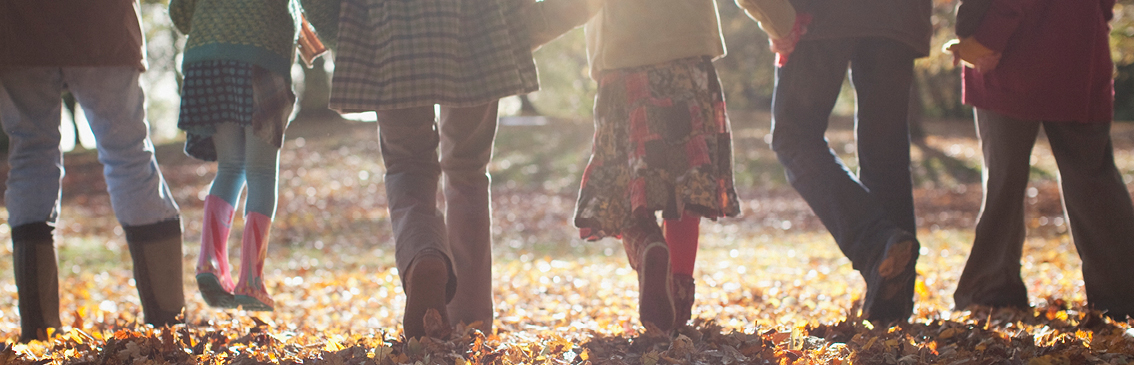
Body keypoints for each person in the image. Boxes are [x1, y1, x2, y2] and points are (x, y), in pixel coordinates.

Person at [0, 0, 186, 341]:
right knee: (128, 153)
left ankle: (39, 331)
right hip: (98, 17)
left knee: (31, 155)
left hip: (11, 19)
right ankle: (168, 323)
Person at [527, 0, 742, 332]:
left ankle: (646, 246)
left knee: (622, 180)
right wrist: (783, 25)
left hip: (623, 60)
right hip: (690, 57)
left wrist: (518, 34)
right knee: (687, 183)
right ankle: (678, 303)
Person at [329, 0, 539, 339]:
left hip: (391, 27)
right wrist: (517, 25)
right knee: (468, 170)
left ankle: (423, 255)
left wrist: (344, 31)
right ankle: (471, 318)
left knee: (406, 165)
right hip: (481, 27)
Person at [945, 0, 1134, 319]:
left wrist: (985, 41)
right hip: (1079, 44)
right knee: (1093, 177)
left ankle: (992, 290)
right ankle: (1127, 295)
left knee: (1004, 178)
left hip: (1010, 53)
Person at [763, 0, 931, 324]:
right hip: (900, 16)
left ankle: (876, 242)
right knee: (885, 153)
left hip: (822, 13)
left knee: (793, 136)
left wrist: (775, 19)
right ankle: (890, 306)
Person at [168, 0, 339, 311]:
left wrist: (216, 22)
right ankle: (251, 281)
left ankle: (209, 264)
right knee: (260, 171)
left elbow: (180, 12)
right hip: (260, 56)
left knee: (231, 166)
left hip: (205, 59)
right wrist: (338, 36)